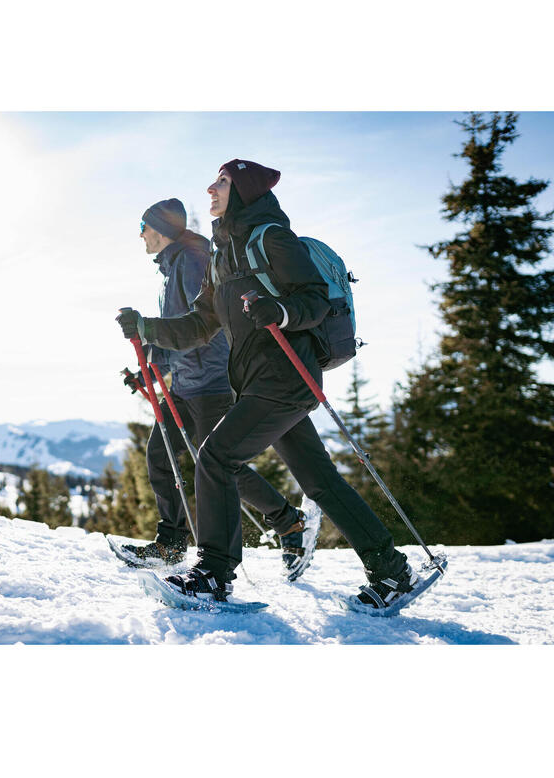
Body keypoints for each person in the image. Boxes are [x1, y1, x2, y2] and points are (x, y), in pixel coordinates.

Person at [116, 161, 418, 613]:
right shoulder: (222, 255)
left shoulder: (273, 237)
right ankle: (392, 570)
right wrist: (146, 328)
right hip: (255, 382)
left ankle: (214, 575)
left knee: (216, 456)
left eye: (221, 182)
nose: (210, 189)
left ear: (243, 190)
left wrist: (280, 311)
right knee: (320, 482)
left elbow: (313, 298)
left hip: (286, 376)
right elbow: (201, 325)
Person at [114, 197, 319, 579]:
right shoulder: (173, 265)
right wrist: (152, 370)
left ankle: (288, 521)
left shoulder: (192, 261)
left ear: (159, 229)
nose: (140, 236)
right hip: (188, 381)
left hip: (211, 381)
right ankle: (171, 543)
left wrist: (160, 347)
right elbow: (177, 325)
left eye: (143, 228)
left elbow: (202, 324)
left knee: (221, 466)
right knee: (162, 456)